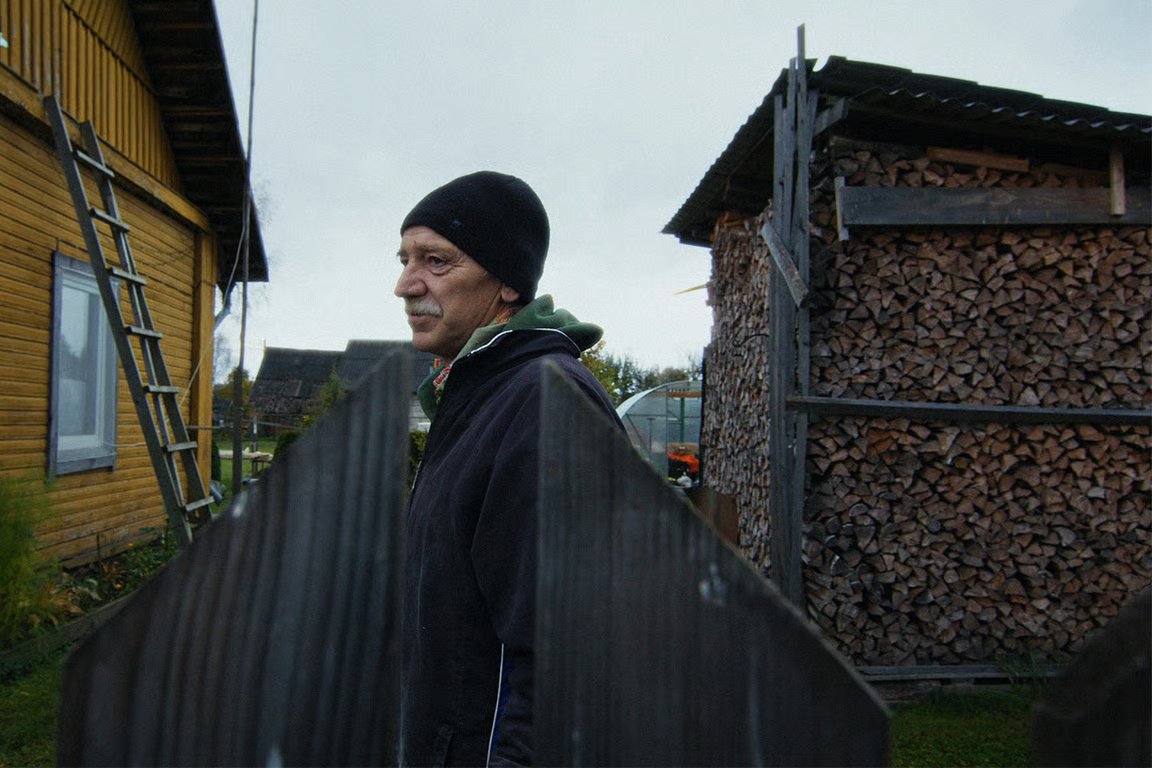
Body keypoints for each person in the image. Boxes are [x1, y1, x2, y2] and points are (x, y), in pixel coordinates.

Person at [394, 171, 622, 766]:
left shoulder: (542, 403)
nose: (404, 284)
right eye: (404, 258)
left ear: (506, 285)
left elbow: (560, 657)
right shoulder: (474, 392)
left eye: (435, 261)